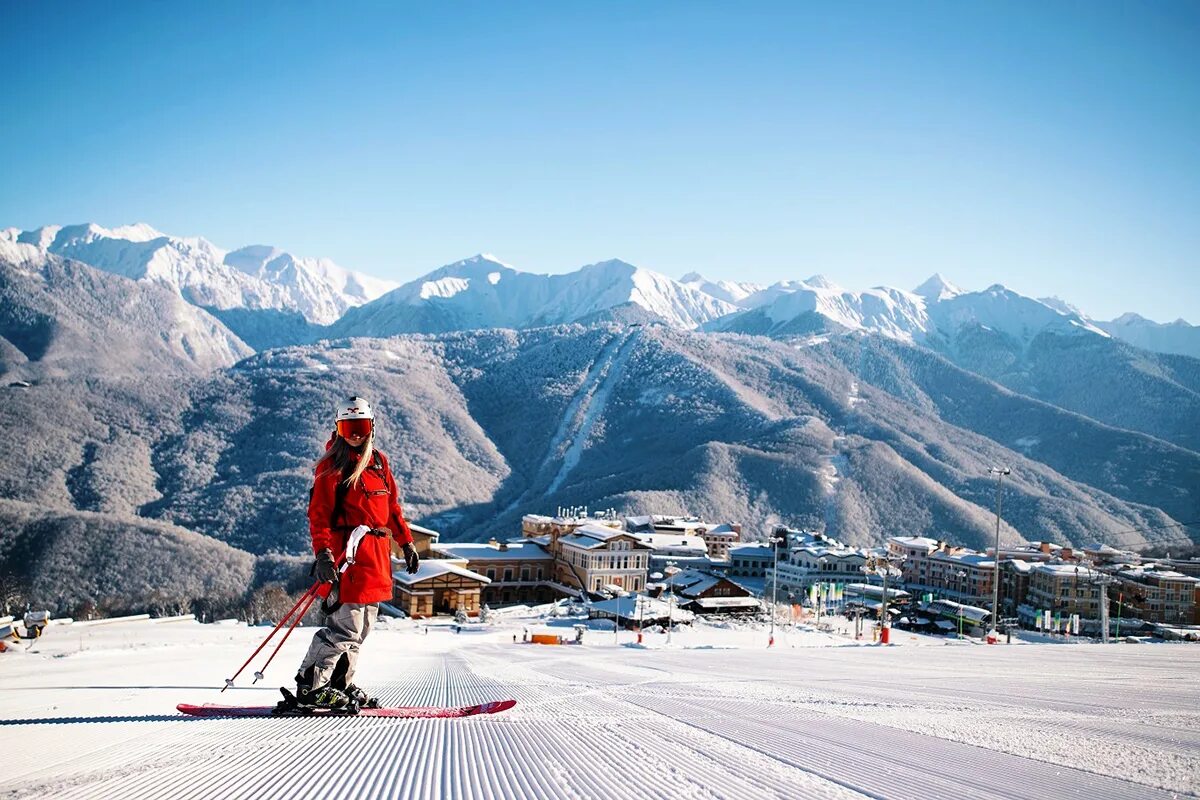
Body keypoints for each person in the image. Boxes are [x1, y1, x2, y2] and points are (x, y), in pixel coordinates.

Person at [293, 396, 421, 709]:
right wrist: (322, 553)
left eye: (360, 426)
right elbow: (319, 514)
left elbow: (391, 508)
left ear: (371, 428)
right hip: (346, 557)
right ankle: (310, 686)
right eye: (348, 427)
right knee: (344, 627)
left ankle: (340, 684)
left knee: (361, 629)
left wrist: (406, 543)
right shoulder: (331, 465)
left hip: (375, 557)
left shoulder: (379, 462)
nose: (354, 434)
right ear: (338, 429)